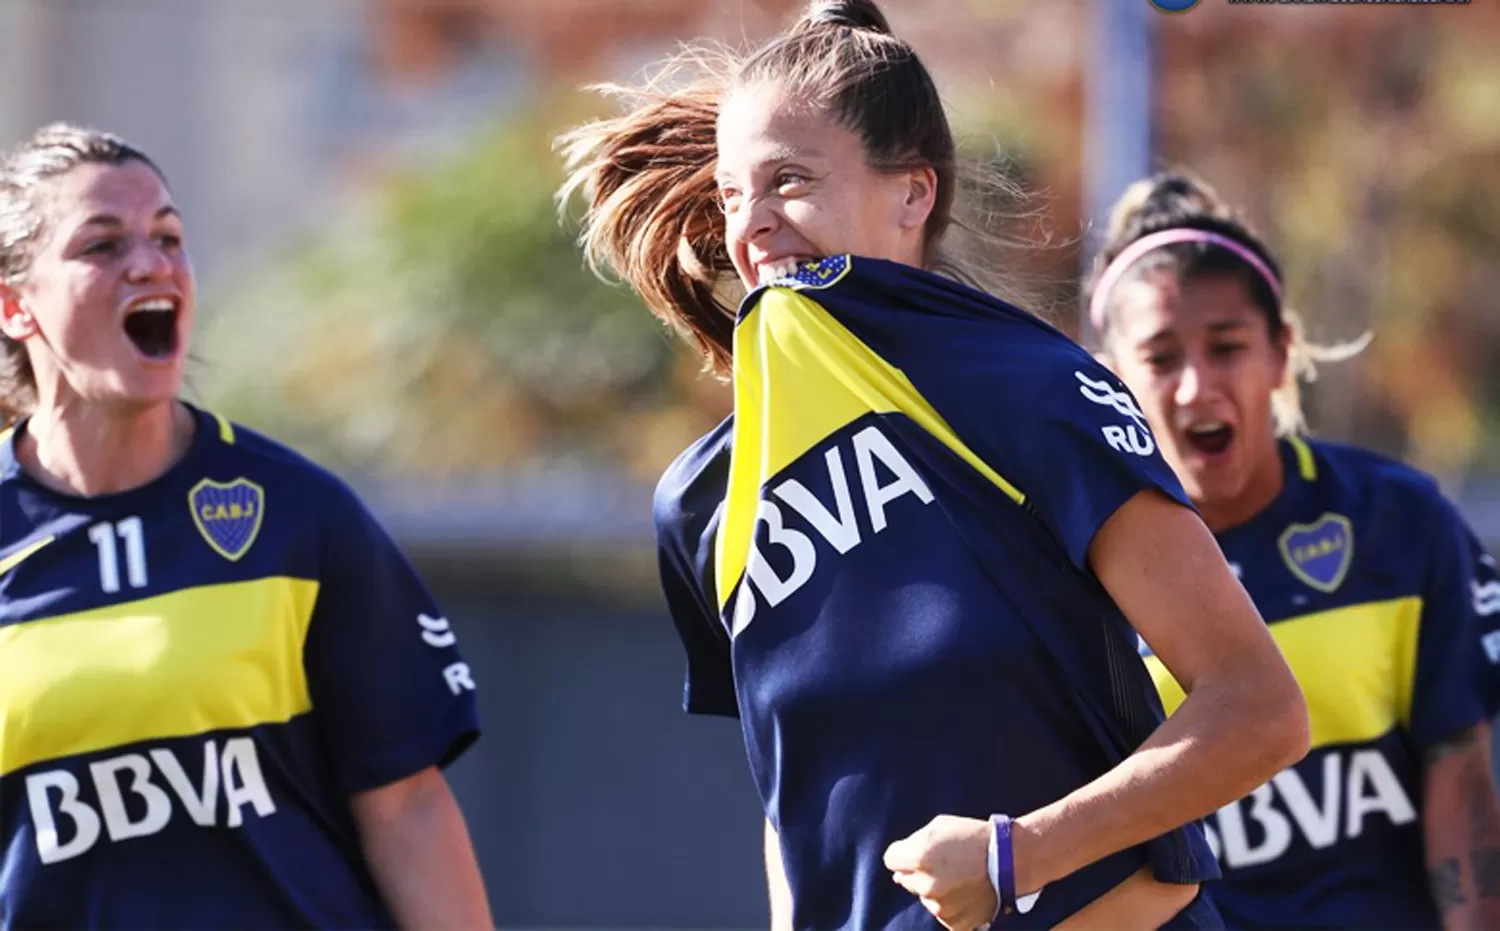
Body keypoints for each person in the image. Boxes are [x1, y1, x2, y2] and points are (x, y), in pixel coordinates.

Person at [559, 2, 1310, 928]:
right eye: (729, 194)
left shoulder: (1026, 387)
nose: (751, 225)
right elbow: (796, 806)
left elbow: (1259, 708)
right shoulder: (701, 502)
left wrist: (1017, 855)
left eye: (788, 180)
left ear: (914, 194)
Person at [0, 123, 492, 929]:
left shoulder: (299, 514)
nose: (152, 263)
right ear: (15, 306)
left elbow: (407, 807)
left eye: (168, 236)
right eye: (101, 244)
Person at [1088, 171, 1500, 930]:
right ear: (1113, 383)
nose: (1195, 387)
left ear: (1280, 354)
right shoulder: (1079, 572)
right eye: (1161, 357)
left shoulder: (1400, 521)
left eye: (1227, 347)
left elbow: (1459, 771)